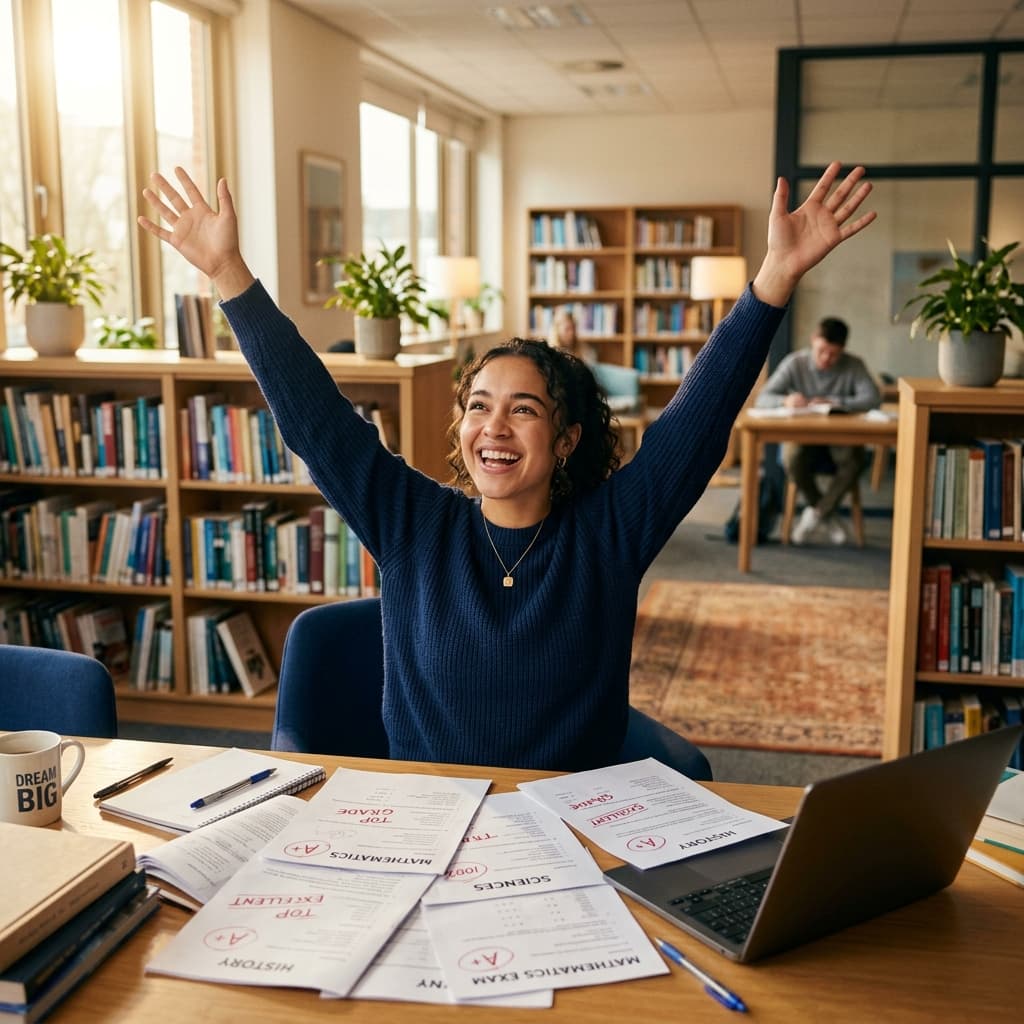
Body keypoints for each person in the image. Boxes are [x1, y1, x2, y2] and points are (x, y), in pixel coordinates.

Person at [137, 162, 875, 774]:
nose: (494, 425)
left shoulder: (609, 533)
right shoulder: (409, 521)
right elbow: (315, 419)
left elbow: (698, 421)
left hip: (573, 828)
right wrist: (230, 274)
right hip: (431, 821)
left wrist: (774, 278)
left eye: (523, 409)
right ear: (460, 430)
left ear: (565, 439)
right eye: (479, 406)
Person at [754, 316, 881, 546]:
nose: (826, 358)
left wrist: (835, 401)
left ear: (842, 349)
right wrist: (786, 401)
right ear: (813, 340)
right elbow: (763, 398)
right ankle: (825, 513)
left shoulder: (854, 365)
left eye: (833, 354)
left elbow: (873, 398)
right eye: (822, 350)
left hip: (841, 439)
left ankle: (815, 514)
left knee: (856, 460)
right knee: (790, 458)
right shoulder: (795, 363)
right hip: (804, 438)